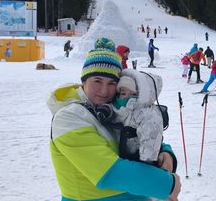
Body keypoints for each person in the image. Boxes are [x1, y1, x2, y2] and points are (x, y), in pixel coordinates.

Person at [47, 37, 180, 201]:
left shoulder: (111, 109)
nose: (104, 91)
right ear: (83, 81)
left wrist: (166, 153)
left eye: (112, 83)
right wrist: (168, 184)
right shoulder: (68, 118)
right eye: (97, 81)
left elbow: (139, 135)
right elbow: (110, 172)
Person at [112, 70, 164, 164]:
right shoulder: (120, 108)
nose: (120, 97)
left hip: (137, 160)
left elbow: (150, 139)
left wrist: (146, 162)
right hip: (120, 157)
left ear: (137, 95)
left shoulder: (146, 115)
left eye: (124, 94)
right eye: (120, 93)